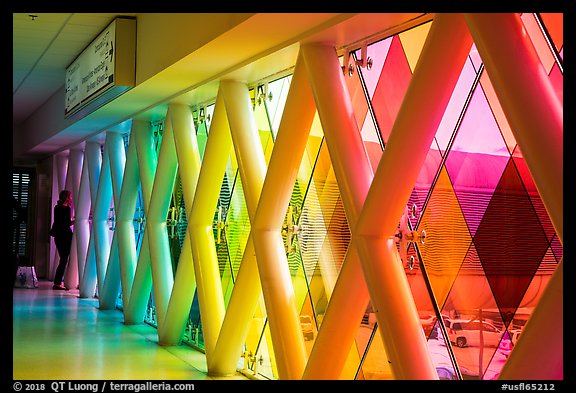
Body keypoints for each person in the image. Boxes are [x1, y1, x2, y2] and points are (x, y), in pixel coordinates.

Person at [51, 190, 74, 290]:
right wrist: (76, 220)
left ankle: (58, 282)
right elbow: (67, 223)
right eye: (70, 197)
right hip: (66, 236)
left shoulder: (57, 207)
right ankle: (57, 283)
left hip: (58, 236)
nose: (71, 199)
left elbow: (60, 222)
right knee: (64, 260)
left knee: (63, 259)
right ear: (67, 198)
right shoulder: (66, 209)